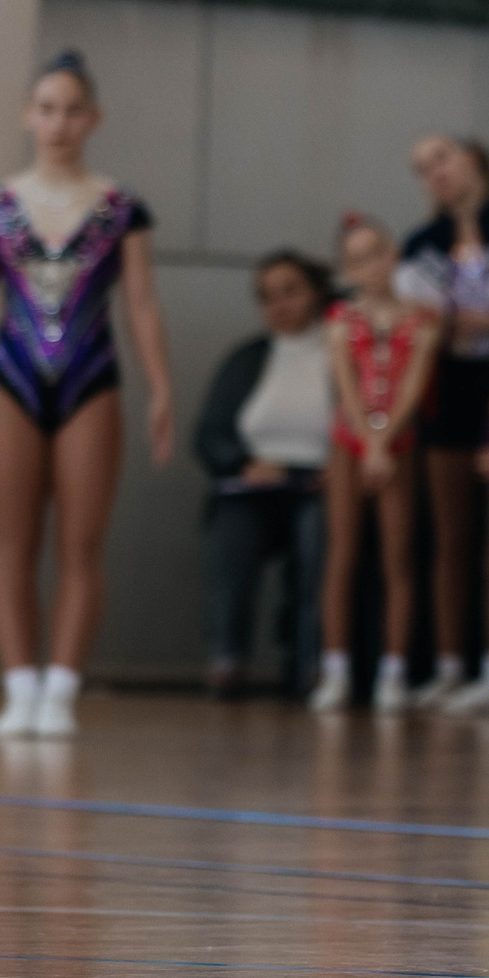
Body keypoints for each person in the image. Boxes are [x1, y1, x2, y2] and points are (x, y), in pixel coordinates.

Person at [0, 49, 172, 739]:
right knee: (12, 542)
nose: (58, 123)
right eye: (47, 109)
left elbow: (142, 305)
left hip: (90, 378)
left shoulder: (122, 208)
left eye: (72, 110)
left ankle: (61, 687)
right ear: (29, 116)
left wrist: (161, 389)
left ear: (94, 119)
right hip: (12, 378)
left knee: (81, 543)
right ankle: (20, 683)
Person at [392, 134, 489, 713]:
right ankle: (453, 666)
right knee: (450, 540)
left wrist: (476, 322)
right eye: (423, 169)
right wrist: (476, 321)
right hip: (447, 393)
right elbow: (425, 323)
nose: (436, 175)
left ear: (473, 160)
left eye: (442, 160)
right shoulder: (423, 244)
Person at [311, 216, 441, 713]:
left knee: (398, 557)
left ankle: (393, 670)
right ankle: (337, 668)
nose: (372, 265)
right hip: (351, 440)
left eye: (379, 253)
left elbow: (414, 383)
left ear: (393, 256)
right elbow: (345, 385)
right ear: (347, 269)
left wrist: (386, 443)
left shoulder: (421, 319)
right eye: (359, 258)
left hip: (398, 443)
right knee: (342, 555)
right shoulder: (342, 318)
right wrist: (368, 442)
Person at [194, 250, 335, 699]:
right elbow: (209, 431)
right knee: (232, 539)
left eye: (291, 292)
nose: (281, 305)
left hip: (320, 483)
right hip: (254, 483)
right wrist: (240, 464)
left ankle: (311, 663)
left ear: (315, 292)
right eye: (268, 297)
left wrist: (339, 470)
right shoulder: (246, 358)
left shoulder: (340, 349)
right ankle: (227, 658)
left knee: (319, 544)